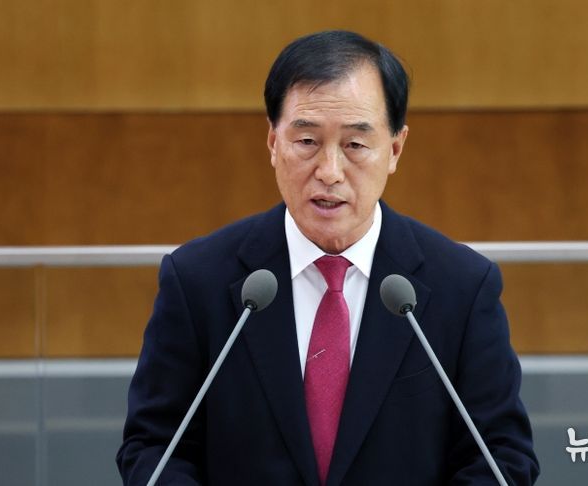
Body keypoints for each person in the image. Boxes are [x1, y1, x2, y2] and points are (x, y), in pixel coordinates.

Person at [117, 30, 539, 485]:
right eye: (306, 141)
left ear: (395, 149)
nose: (330, 172)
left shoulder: (462, 286)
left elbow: (501, 456)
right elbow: (154, 447)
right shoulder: (197, 280)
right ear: (273, 142)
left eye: (355, 145)